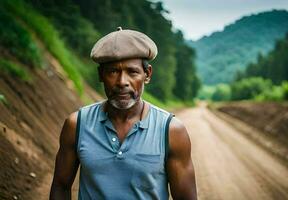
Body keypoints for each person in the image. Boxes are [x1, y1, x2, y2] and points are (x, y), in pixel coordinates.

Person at [50, 27, 197, 200]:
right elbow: (60, 186)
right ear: (101, 75)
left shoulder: (171, 131)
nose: (122, 82)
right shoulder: (77, 124)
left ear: (147, 74)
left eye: (132, 72)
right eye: (112, 71)